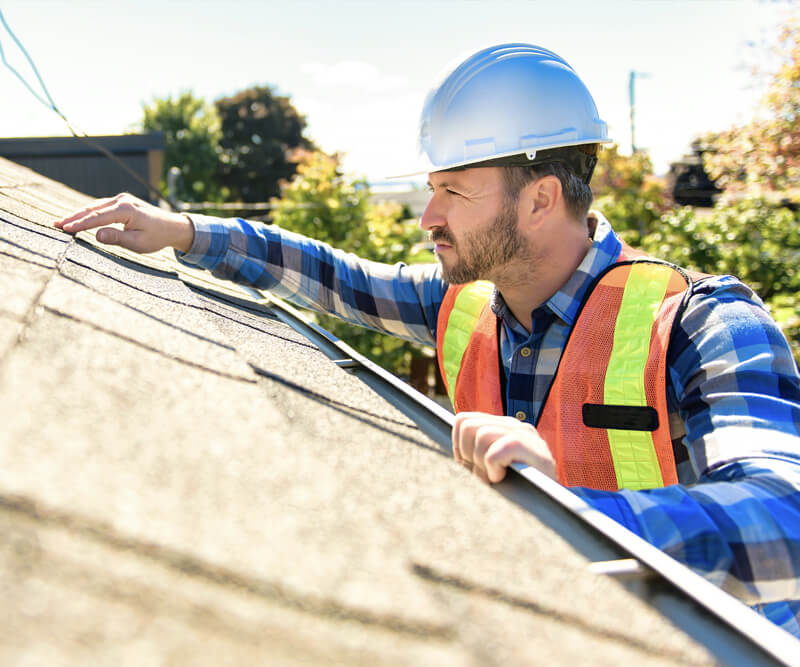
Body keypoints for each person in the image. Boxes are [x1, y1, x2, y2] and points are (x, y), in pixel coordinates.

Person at [54, 43, 800, 635]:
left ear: (540, 198)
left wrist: (572, 514)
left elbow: (785, 523)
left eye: (453, 191)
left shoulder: (706, 323)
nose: (427, 217)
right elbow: (338, 275)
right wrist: (185, 231)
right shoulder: (471, 304)